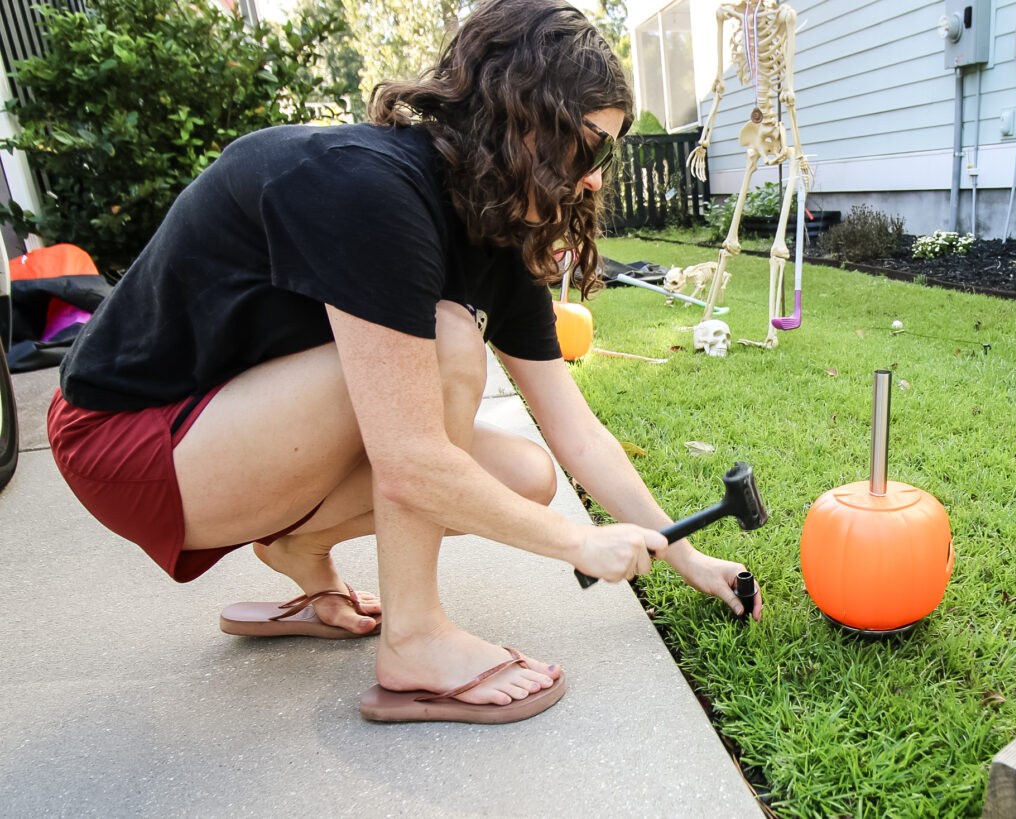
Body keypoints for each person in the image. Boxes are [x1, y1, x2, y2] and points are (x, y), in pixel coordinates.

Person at [47, 0, 762, 725]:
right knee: (449, 341)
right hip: (128, 442)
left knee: (526, 473)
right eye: (589, 149)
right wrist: (580, 542)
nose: (597, 180)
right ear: (523, 120)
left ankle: (299, 546)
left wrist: (688, 560)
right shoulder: (370, 188)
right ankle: (414, 639)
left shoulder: (495, 233)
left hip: (227, 431)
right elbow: (410, 459)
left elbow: (577, 434)